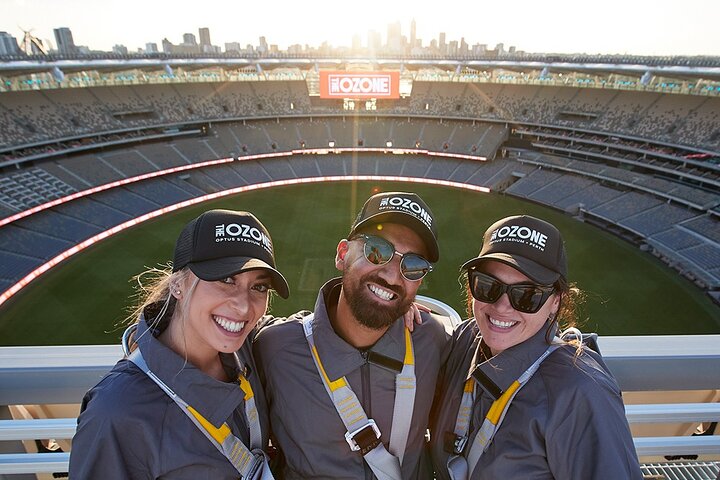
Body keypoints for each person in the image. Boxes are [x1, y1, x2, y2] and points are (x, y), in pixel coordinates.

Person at [69, 209, 289, 479]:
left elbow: (304, 330)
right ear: (177, 285)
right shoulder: (116, 412)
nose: (244, 307)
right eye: (225, 279)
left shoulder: (248, 347)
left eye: (258, 287)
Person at [254, 191, 453, 479]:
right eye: (377, 251)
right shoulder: (275, 349)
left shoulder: (433, 339)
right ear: (342, 254)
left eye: (412, 266)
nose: (392, 276)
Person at [430, 214, 643, 480]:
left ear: (556, 301)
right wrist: (398, 312)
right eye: (488, 286)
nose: (501, 307)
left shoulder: (581, 393)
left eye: (527, 295)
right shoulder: (466, 340)